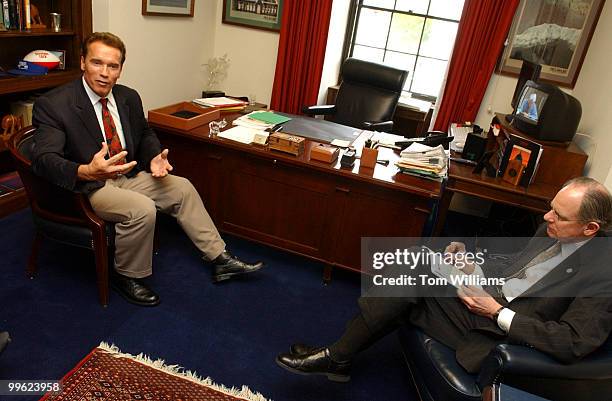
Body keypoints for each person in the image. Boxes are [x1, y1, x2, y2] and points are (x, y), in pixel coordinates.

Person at [276, 177, 612, 382]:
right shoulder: (551, 230)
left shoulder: (602, 273)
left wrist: (497, 312)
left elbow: (573, 343)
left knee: (411, 281)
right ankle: (340, 355)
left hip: (501, 329)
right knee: (419, 259)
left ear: (590, 229)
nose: (546, 217)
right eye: (549, 208)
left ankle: (338, 356)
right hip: (489, 296)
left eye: (558, 215)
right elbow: (514, 265)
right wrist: (472, 264)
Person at [32, 32, 263, 307]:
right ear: (82, 62)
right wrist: (85, 170)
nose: (105, 73)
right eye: (97, 63)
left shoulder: (128, 97)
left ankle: (219, 258)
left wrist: (153, 156)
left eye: (113, 66)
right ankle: (126, 275)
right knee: (142, 209)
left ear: (120, 69)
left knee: (182, 188)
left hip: (127, 174)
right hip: (90, 186)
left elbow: (144, 133)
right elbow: (43, 159)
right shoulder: (55, 105)